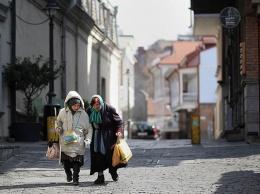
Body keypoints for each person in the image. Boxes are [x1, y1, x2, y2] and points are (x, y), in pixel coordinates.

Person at [85, 94, 125, 184]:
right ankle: (100, 176)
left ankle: (113, 172)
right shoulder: (89, 111)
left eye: (98, 104)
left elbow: (119, 121)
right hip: (96, 137)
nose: (96, 106)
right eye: (94, 105)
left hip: (109, 137)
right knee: (98, 156)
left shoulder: (109, 109)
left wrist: (119, 131)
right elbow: (84, 122)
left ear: (101, 103)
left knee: (110, 156)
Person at [56, 91, 93, 185]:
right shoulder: (62, 112)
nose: (76, 107)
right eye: (74, 105)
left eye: (78, 105)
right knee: (66, 162)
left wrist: (88, 138)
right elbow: (58, 122)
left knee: (77, 162)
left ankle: (76, 178)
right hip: (66, 141)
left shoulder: (84, 114)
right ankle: (68, 173)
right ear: (69, 104)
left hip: (78, 141)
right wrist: (58, 128)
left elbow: (89, 127)